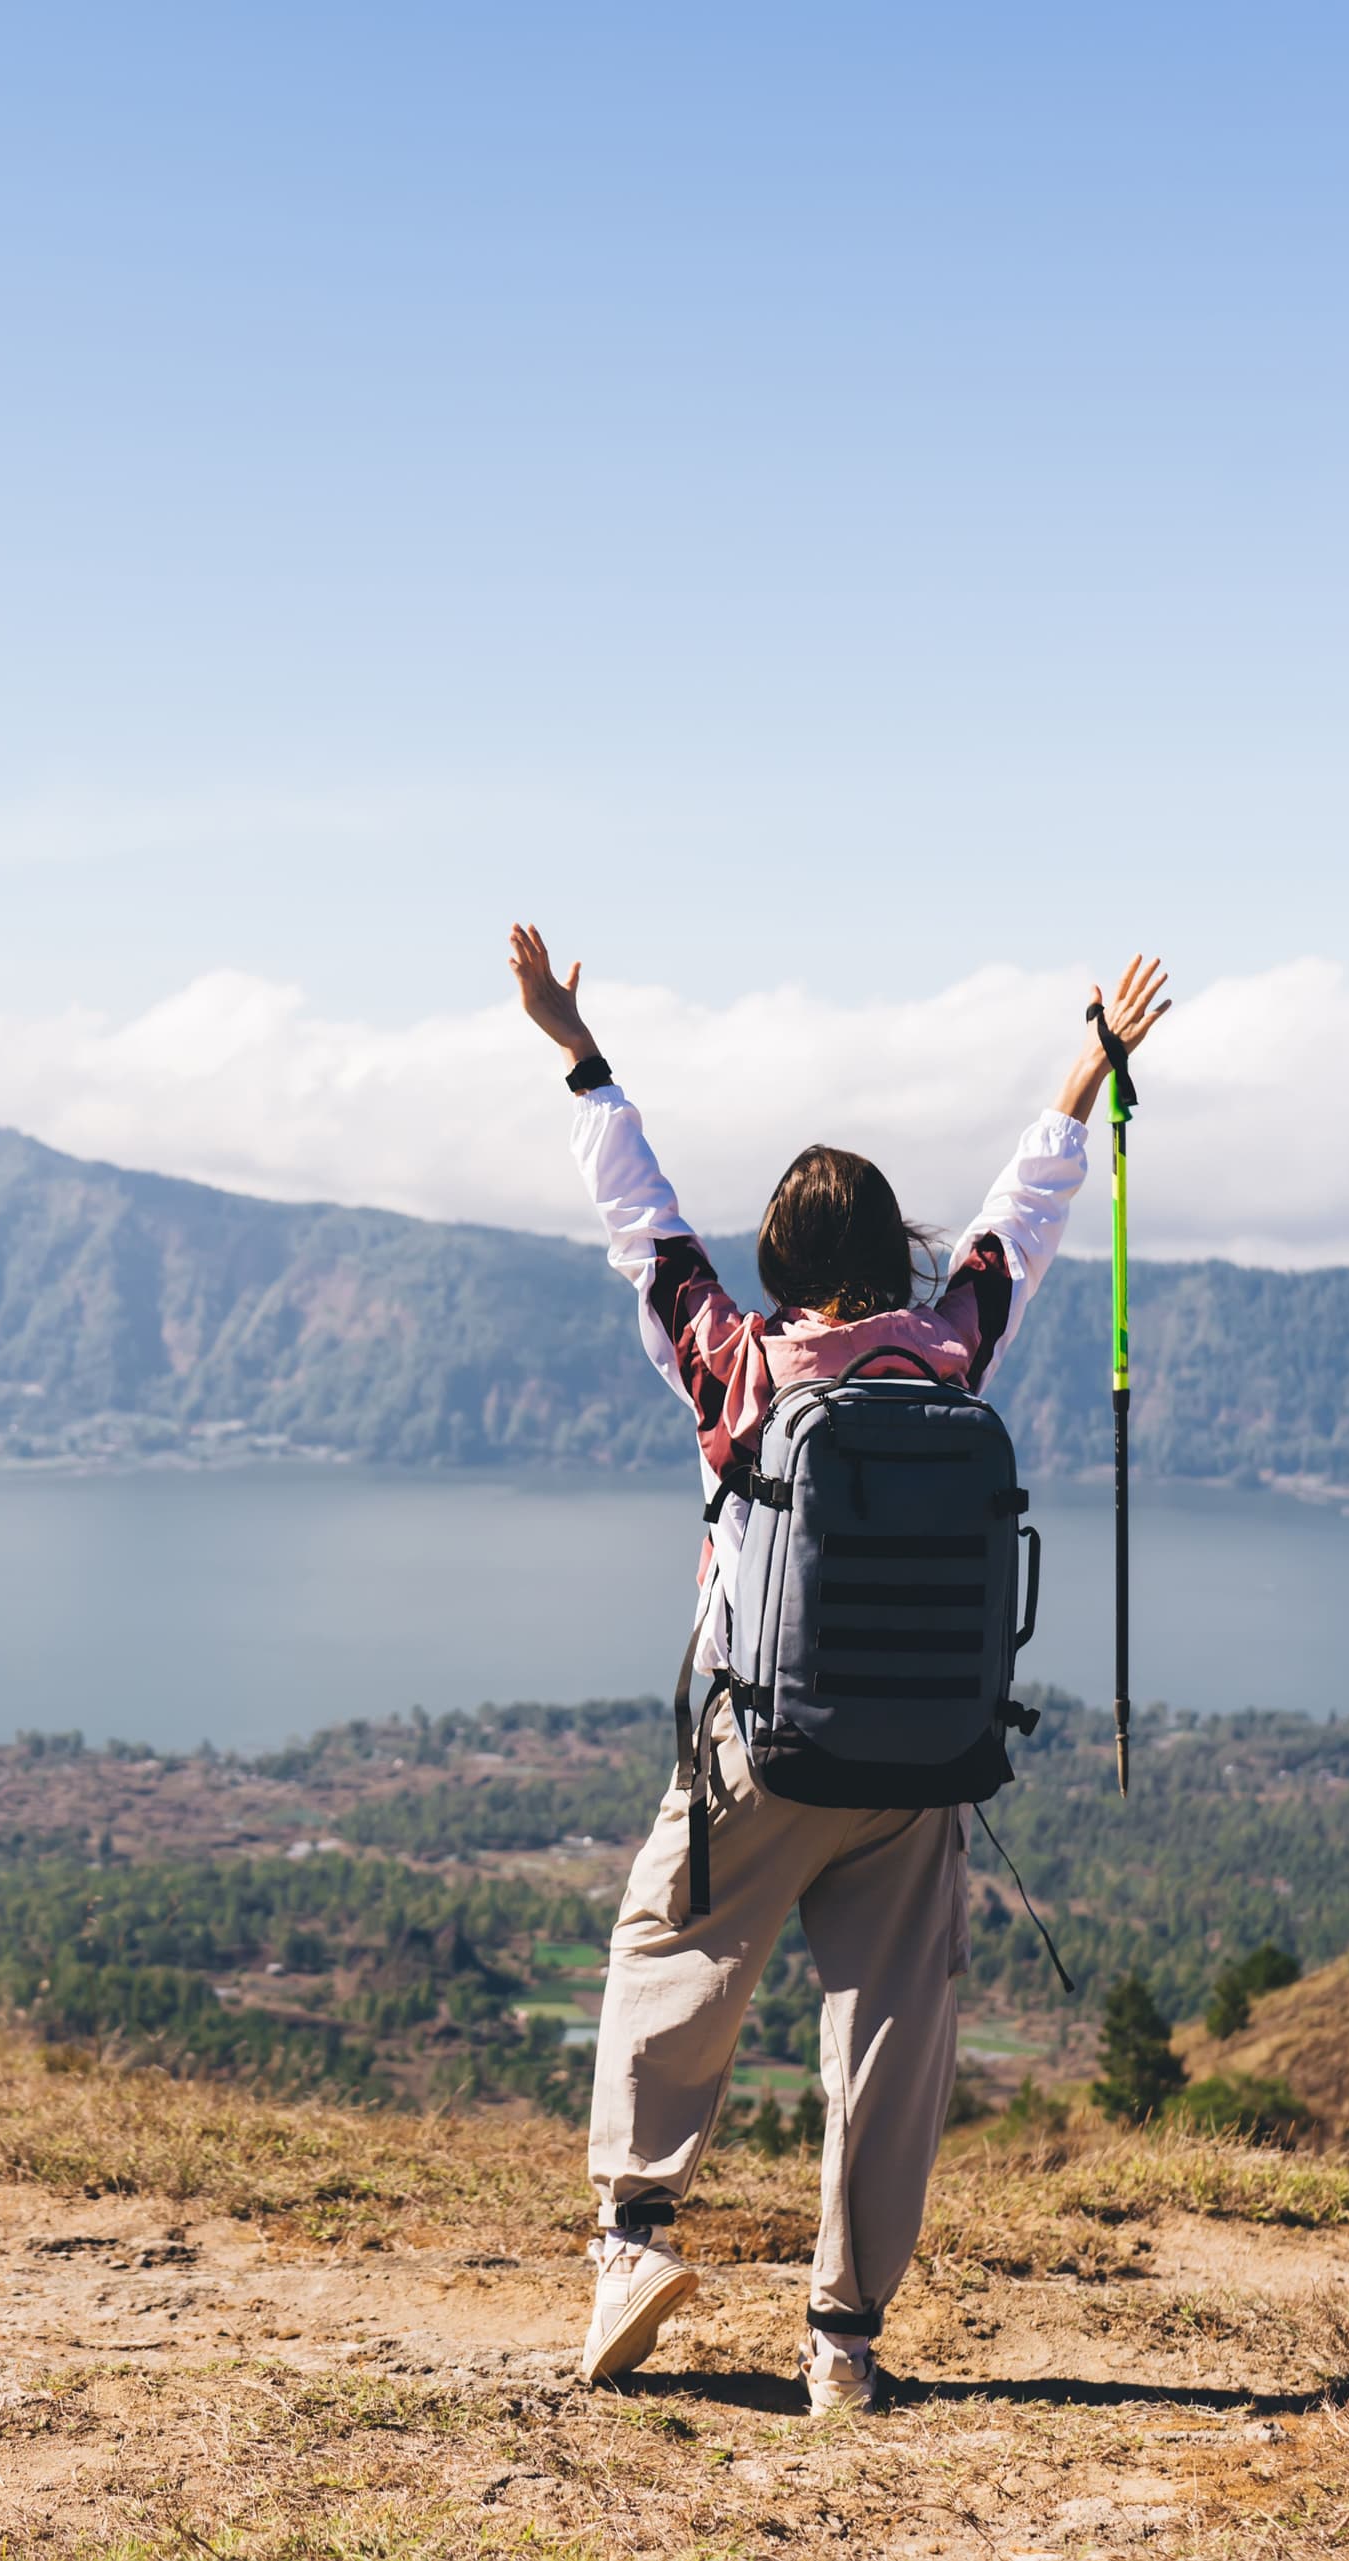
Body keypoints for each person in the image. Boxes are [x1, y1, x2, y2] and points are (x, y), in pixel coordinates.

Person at [508, 924, 1170, 2414]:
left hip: (765, 1751)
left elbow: (644, 1223)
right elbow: (1026, 1218)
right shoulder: (951, 1351)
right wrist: (1086, 1068)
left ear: (783, 1267)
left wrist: (579, 1052)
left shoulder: (739, 1369)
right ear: (892, 1252)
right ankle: (846, 2339)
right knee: (890, 2033)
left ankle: (631, 2239)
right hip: (925, 1765)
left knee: (667, 1952)